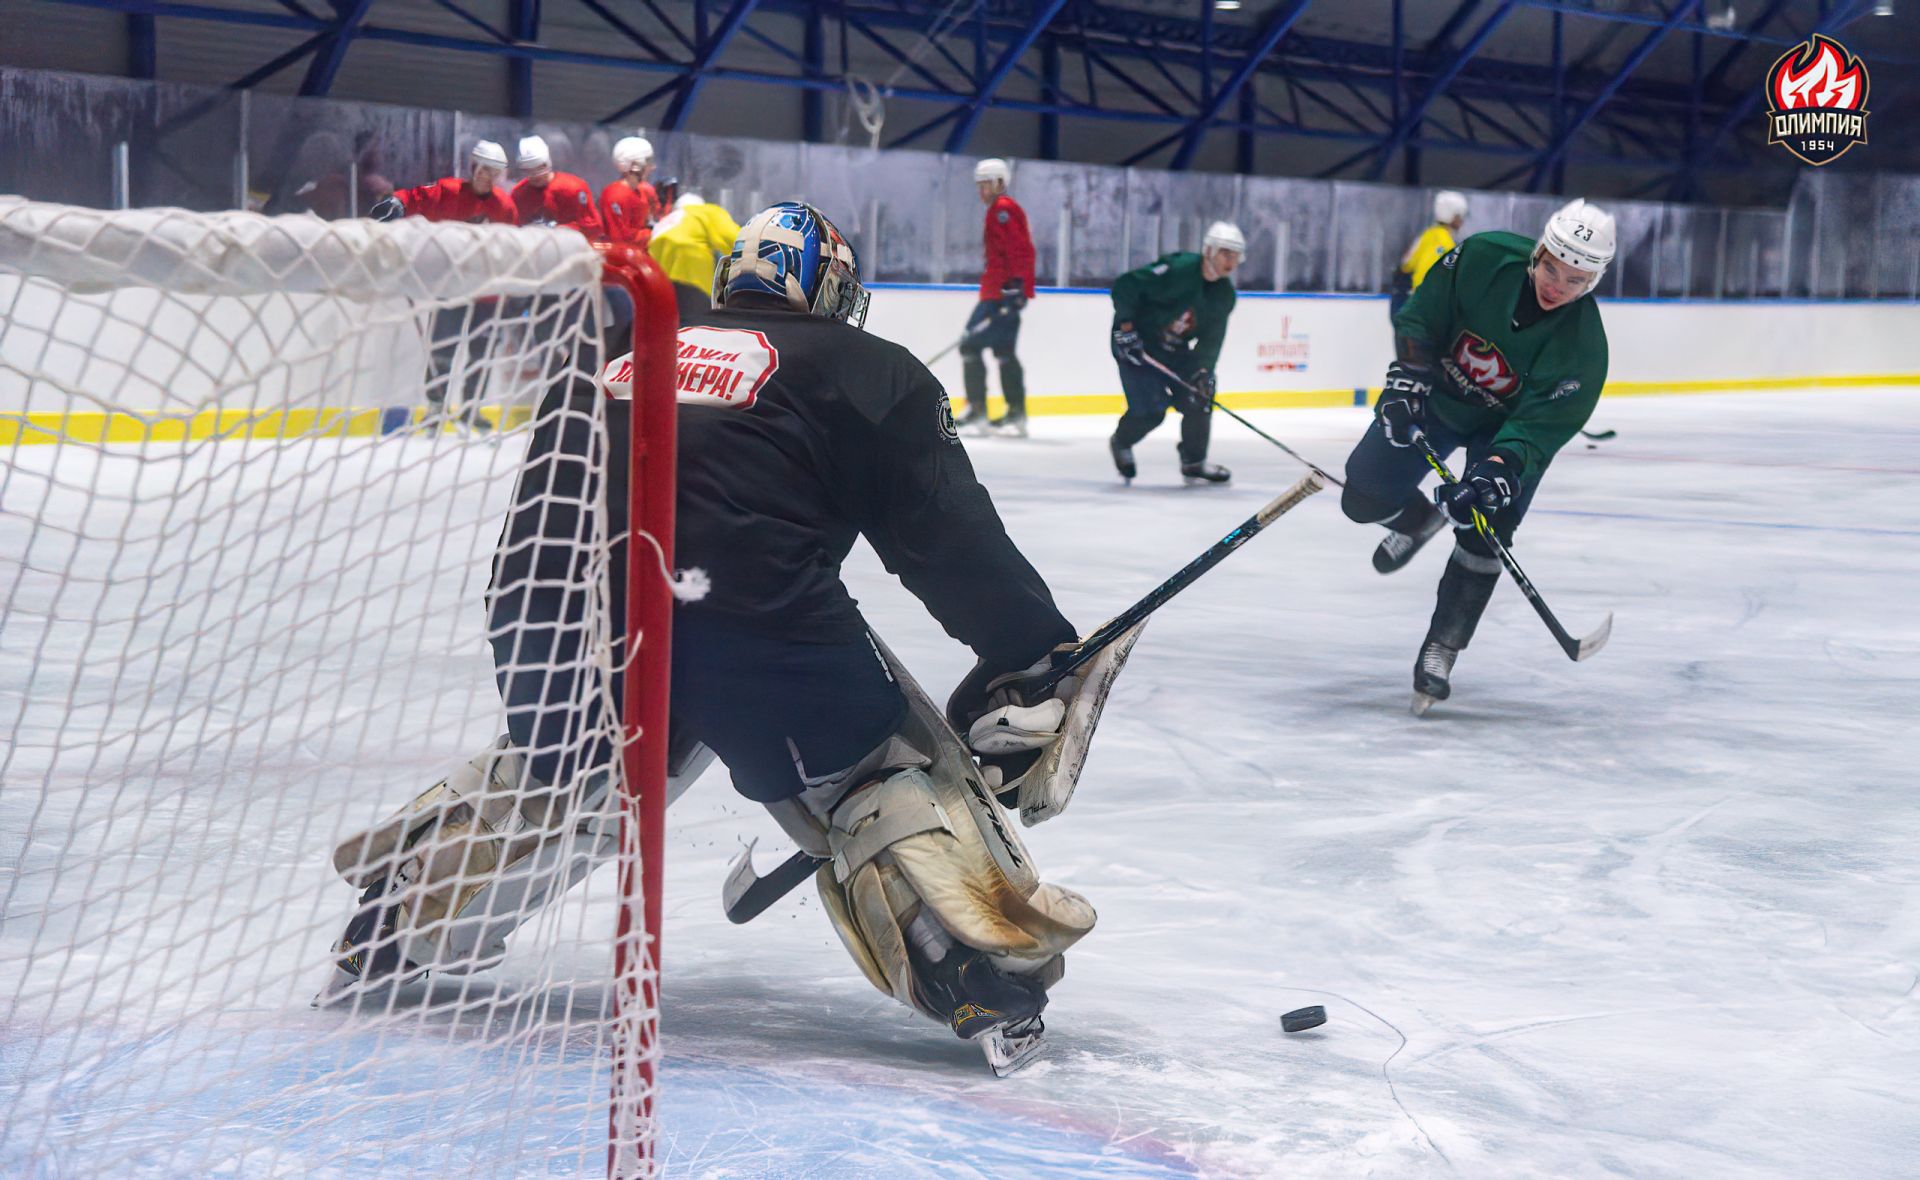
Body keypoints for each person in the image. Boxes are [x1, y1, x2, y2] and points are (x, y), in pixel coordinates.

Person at [322, 202, 1106, 1073]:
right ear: (827, 288)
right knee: (873, 775)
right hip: (745, 620)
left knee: (567, 778)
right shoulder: (863, 367)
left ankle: (392, 922)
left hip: (549, 618)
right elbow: (948, 543)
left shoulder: (622, 358)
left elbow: (539, 534)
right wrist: (1031, 648)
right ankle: (968, 968)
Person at [1340, 198, 1613, 714]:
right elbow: (1420, 318)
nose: (1558, 284)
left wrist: (1493, 475)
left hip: (1503, 432)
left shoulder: (1585, 349)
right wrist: (1407, 383)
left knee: (1486, 530)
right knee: (1362, 494)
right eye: (1553, 267)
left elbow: (1535, 431)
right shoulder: (1482, 257)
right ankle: (1420, 520)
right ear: (1539, 253)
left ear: (1593, 281)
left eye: (1575, 279)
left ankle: (1441, 648)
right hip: (1441, 398)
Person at [370, 140, 516, 434]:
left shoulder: (505, 207)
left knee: (481, 353)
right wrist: (396, 202)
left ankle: (471, 409)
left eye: (495, 172)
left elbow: (511, 247)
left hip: (488, 294)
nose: (488, 176)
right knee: (442, 350)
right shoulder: (449, 191)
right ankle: (436, 408)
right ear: (474, 166)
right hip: (451, 289)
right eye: (485, 169)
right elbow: (415, 198)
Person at [1106, 222, 1245, 485]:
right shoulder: (1178, 268)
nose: (1231, 260)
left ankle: (1194, 462)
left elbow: (1212, 340)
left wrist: (1204, 371)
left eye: (1236, 255)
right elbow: (1126, 286)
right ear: (1209, 250)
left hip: (1173, 349)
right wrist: (1125, 327)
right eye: (1226, 253)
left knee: (1201, 395)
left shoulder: (1224, 295)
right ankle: (1121, 442)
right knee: (1151, 410)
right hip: (1137, 344)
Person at [956, 158, 1036, 436]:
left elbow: (1020, 250)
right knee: (1004, 351)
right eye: (979, 185)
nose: (981, 190)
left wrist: (1016, 287)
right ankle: (1016, 412)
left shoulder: (1002, 210)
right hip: (1002, 291)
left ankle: (979, 411)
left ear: (1000, 183)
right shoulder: (999, 210)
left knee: (969, 345)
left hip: (999, 294)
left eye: (985, 184)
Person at [645, 183, 741, 321]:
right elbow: (733, 237)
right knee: (698, 322)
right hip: (692, 275)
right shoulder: (704, 211)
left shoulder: (664, 223)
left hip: (661, 287)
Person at [1390, 191, 1468, 321]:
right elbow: (1430, 276)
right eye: (1459, 216)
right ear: (1451, 216)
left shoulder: (1427, 235)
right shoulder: (1444, 241)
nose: (1461, 221)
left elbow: (1407, 265)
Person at [509, 135, 604, 241]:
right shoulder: (519, 194)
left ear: (548, 163)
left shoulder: (574, 188)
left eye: (540, 168)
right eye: (529, 170)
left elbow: (594, 227)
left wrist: (562, 231)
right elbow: (513, 232)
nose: (536, 175)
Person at [600, 136, 660, 247]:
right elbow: (621, 240)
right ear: (635, 166)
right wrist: (654, 233)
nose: (653, 167)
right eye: (648, 162)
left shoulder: (641, 191)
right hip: (621, 262)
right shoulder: (616, 195)